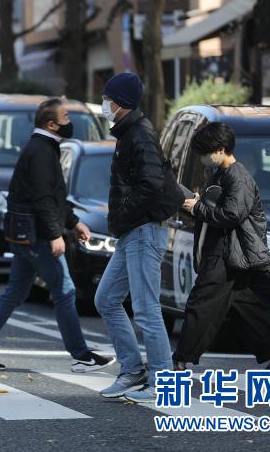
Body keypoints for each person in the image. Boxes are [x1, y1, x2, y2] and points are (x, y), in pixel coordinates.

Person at [0, 99, 115, 373]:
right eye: (66, 117)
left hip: (25, 233)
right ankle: (81, 355)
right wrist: (56, 234)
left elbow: (54, 196)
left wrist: (74, 222)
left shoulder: (41, 148)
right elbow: (44, 198)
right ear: (51, 124)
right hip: (37, 236)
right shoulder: (42, 151)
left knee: (16, 291)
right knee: (65, 291)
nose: (70, 122)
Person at [175, 122, 270, 379]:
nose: (202, 157)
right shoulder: (220, 173)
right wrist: (198, 203)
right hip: (228, 252)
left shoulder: (237, 176)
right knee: (247, 308)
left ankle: (179, 363)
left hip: (226, 253)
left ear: (221, 149)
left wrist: (197, 208)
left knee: (201, 304)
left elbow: (232, 215)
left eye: (205, 152)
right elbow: (218, 207)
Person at [94, 73, 173, 404]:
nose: (105, 104)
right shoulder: (129, 132)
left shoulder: (139, 133)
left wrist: (124, 213)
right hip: (132, 232)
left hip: (143, 230)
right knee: (106, 299)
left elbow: (151, 184)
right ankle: (132, 371)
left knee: (146, 309)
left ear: (121, 103)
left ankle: (163, 380)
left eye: (107, 98)